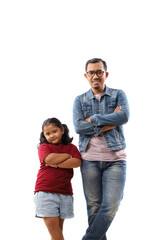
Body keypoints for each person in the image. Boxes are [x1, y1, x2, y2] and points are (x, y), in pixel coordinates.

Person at [73, 58, 129, 240]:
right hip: (89, 159)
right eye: (91, 72)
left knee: (112, 204)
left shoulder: (118, 94)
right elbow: (79, 127)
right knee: (94, 206)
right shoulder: (79, 100)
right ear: (86, 76)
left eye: (99, 72)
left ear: (106, 74)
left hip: (116, 159)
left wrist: (94, 119)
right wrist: (110, 120)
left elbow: (124, 115)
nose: (95, 76)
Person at [34, 117, 81, 240]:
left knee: (58, 230)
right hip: (45, 191)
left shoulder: (71, 147)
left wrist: (56, 163)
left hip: (65, 192)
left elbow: (76, 162)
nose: (51, 136)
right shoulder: (44, 147)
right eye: (47, 133)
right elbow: (48, 159)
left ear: (62, 130)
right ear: (44, 135)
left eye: (54, 131)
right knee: (56, 233)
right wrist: (67, 157)